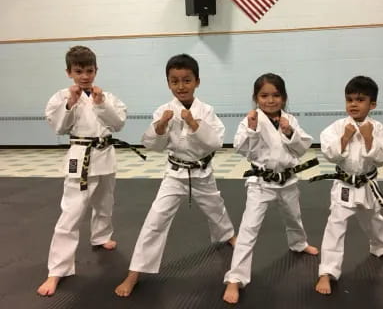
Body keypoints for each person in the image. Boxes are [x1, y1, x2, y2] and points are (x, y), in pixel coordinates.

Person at [115, 54, 236, 297]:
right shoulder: (163, 111)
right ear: (168, 83)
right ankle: (135, 272)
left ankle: (229, 234)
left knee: (216, 207)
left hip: (202, 172)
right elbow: (153, 145)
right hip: (175, 174)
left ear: (197, 82)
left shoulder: (207, 111)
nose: (181, 86)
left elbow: (216, 142)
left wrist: (193, 123)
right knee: (155, 220)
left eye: (187, 80)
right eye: (175, 81)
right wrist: (159, 127)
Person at [37, 46, 127, 296]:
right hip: (81, 157)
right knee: (71, 213)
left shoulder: (107, 97)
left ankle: (101, 236)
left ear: (96, 70)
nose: (85, 76)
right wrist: (70, 104)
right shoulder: (60, 98)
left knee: (105, 202)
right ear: (69, 72)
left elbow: (118, 123)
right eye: (79, 71)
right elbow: (58, 127)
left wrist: (100, 104)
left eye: (89, 70)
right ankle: (57, 269)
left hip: (105, 157)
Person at [223, 73, 319, 304]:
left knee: (294, 217)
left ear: (284, 98)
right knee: (249, 228)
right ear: (256, 98)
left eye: (276, 95)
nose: (270, 100)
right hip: (261, 183)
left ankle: (299, 243)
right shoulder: (250, 120)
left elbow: (302, 148)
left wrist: (289, 132)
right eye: (264, 95)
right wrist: (252, 129)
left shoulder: (290, 120)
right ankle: (235, 278)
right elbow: (241, 149)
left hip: (287, 181)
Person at [314, 75, 383, 295]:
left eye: (360, 100)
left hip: (368, 185)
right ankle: (327, 271)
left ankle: (380, 247)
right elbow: (330, 155)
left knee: (374, 221)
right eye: (349, 99)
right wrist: (344, 138)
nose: (353, 104)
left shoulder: (378, 129)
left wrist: (369, 138)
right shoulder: (337, 127)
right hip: (344, 185)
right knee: (335, 226)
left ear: (373, 104)